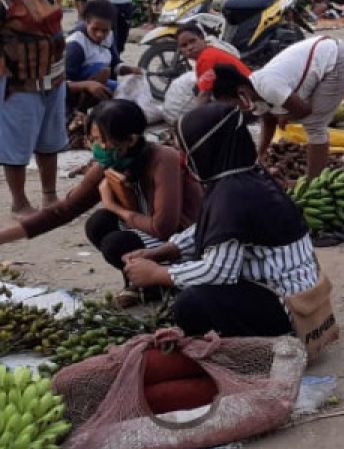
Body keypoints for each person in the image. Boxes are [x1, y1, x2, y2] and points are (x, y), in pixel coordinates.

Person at [123, 103, 322, 338]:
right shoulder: (244, 173)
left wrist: (158, 275)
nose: (184, 160)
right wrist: (167, 250)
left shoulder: (232, 193)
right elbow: (215, 228)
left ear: (207, 148)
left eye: (187, 151)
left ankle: (260, 343)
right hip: (303, 294)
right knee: (188, 283)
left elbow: (219, 271)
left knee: (191, 304)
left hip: (291, 308)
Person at [0, 100, 201, 303]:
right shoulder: (111, 162)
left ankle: (161, 279)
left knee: (115, 242)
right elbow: (63, 210)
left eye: (101, 140)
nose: (96, 147)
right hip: (149, 231)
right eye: (93, 139)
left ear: (130, 140)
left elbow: (163, 227)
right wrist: (3, 237)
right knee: (99, 222)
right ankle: (144, 285)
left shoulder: (164, 159)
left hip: (185, 242)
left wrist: (113, 206)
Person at [211, 36, 344, 179]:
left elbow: (304, 110)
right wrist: (260, 156)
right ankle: (314, 176)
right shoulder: (253, 93)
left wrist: (286, 116)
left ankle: (313, 183)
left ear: (241, 93)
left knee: (314, 124)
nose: (234, 110)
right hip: (326, 57)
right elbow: (269, 121)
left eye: (232, 105)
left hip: (340, 59)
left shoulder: (268, 86)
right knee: (304, 118)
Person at [0, 0, 70, 215]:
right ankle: (19, 201)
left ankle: (50, 196)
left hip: (52, 74)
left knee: (49, 140)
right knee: (16, 144)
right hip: (19, 79)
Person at [65, 0, 142, 106]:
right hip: (75, 94)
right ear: (87, 21)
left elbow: (114, 64)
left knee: (131, 95)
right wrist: (87, 85)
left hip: (100, 84)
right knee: (101, 71)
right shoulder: (75, 45)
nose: (100, 35)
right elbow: (61, 85)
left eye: (105, 30)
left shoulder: (109, 36)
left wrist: (130, 70)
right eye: (95, 29)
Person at [176, 22, 251, 99]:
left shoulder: (206, 58)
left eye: (192, 41)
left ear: (202, 38)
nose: (190, 47)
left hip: (248, 96)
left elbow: (205, 95)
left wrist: (197, 111)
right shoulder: (209, 51)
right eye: (184, 45)